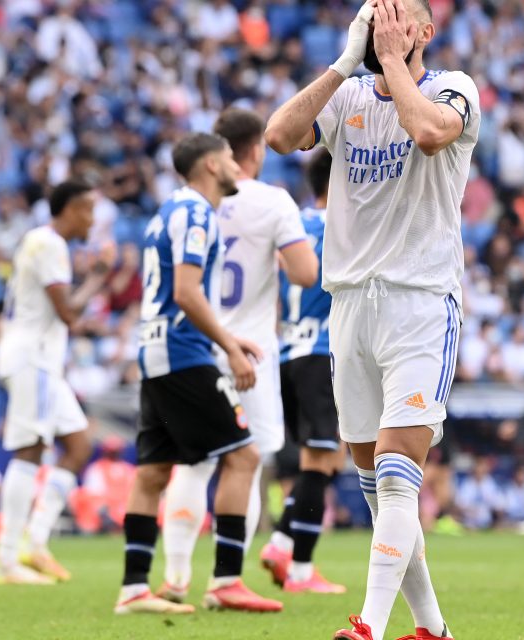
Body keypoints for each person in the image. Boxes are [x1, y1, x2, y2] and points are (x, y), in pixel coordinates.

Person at [265, 0, 481, 636]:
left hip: (419, 299)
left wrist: (390, 61)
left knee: (395, 472)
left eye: (400, 16)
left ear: (425, 29)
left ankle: (371, 626)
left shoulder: (452, 89)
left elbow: (429, 134)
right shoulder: (348, 95)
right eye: (376, 14)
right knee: (377, 483)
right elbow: (278, 135)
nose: (389, 25)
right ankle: (434, 628)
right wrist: (345, 60)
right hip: (350, 304)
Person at [113, 133, 280, 616]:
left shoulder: (169, 210)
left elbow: (175, 297)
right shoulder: (196, 214)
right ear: (211, 164)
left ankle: (133, 590)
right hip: (182, 355)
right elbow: (187, 293)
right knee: (244, 457)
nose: (236, 166)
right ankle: (226, 581)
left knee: (152, 472)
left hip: (157, 350)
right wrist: (229, 347)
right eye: (229, 158)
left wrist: (223, 335)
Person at [160, 108, 318, 602]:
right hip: (250, 348)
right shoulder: (273, 201)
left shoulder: (184, 202)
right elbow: (304, 274)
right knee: (247, 462)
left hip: (194, 346)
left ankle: (176, 577)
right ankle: (227, 579)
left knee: (194, 463)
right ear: (252, 150)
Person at [0, 179, 108, 586]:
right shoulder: (48, 243)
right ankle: (7, 560)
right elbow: (68, 312)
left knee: (78, 445)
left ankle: (35, 541)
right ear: (69, 210)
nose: (91, 219)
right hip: (32, 359)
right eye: (87, 210)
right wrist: (98, 277)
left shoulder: (44, 243)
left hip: (42, 360)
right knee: (31, 449)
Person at [257, 151, 348, 594]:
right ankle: (294, 565)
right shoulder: (345, 226)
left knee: (326, 459)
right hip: (322, 351)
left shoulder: (296, 227)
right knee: (320, 460)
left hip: (289, 352)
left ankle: (286, 550)